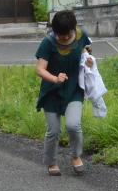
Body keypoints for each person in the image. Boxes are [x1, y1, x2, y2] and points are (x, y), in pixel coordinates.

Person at [35, 10, 92, 176]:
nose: (63, 38)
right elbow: (39, 69)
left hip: (73, 88)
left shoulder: (82, 36)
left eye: (66, 35)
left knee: (73, 125)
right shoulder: (48, 42)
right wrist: (54, 78)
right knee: (53, 130)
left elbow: (85, 53)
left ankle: (75, 156)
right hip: (52, 90)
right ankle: (51, 162)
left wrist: (88, 60)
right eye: (59, 35)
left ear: (73, 29)